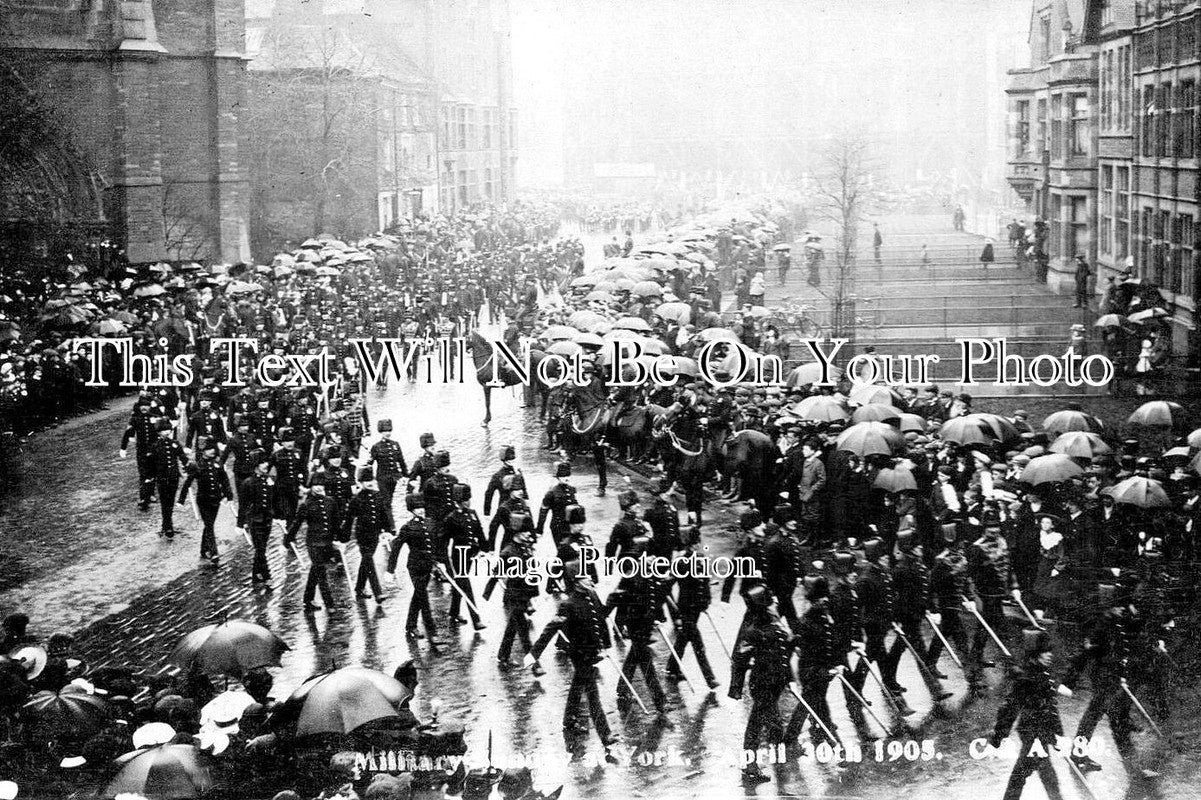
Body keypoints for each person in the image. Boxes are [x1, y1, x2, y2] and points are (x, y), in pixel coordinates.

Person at [529, 571, 618, 751]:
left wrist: (613, 600)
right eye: (586, 577)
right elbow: (551, 629)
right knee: (593, 694)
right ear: (576, 583)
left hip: (591, 651)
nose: (591, 579)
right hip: (579, 654)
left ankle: (569, 720)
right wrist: (533, 654)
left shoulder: (591, 594)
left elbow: (600, 616)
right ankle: (605, 734)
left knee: (578, 685)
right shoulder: (568, 605)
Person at [988, 629, 1068, 800]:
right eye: (1044, 651)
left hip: (1041, 732)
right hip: (1032, 733)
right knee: (1038, 775)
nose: (1049, 655)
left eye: (1049, 651)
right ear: (1036, 653)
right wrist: (998, 737)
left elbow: (1051, 708)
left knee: (1039, 775)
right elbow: (1009, 709)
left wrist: (1059, 735)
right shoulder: (1027, 678)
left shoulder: (1045, 673)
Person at [728, 585, 793, 784]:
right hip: (763, 683)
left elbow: (782, 651)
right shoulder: (753, 630)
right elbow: (739, 659)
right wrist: (736, 688)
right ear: (766, 607)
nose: (777, 603)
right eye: (773, 601)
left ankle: (778, 755)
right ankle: (749, 765)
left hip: (776, 682)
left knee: (773, 722)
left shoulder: (774, 621)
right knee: (756, 724)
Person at [178, 437, 233, 563]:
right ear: (202, 451)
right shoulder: (197, 466)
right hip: (203, 500)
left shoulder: (218, 464)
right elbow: (188, 483)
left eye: (213, 448)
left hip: (216, 499)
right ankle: (214, 552)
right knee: (209, 525)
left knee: (209, 525)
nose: (212, 451)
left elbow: (224, 481)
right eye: (208, 449)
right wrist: (181, 500)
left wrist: (228, 495)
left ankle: (203, 550)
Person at [288, 475, 338, 613]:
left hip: (326, 543)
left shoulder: (330, 502)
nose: (318, 487)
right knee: (321, 572)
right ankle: (330, 605)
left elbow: (335, 522)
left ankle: (308, 599)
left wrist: (339, 539)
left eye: (321, 484)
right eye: (315, 485)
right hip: (314, 543)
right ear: (311, 486)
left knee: (315, 571)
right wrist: (286, 541)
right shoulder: (306, 504)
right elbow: (296, 524)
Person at [344, 466, 394, 603]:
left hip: (375, 534)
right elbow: (349, 520)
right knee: (368, 560)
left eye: (370, 479)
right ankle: (378, 592)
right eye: (365, 481)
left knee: (366, 561)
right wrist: (343, 537)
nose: (369, 483)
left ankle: (359, 588)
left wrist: (387, 530)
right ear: (360, 483)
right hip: (362, 535)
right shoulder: (356, 500)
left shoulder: (378, 496)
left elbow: (384, 514)